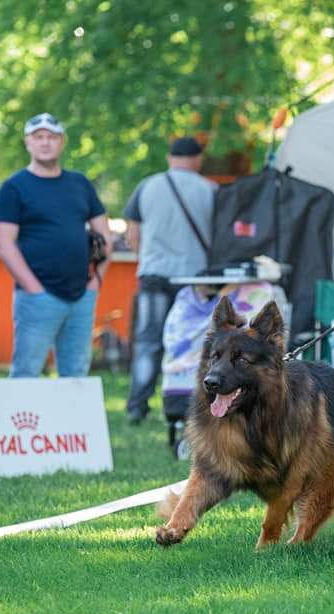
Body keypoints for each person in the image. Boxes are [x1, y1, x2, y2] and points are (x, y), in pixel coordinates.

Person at [0, 113, 112, 378]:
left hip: (81, 295)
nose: (45, 142)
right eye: (38, 137)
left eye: (52, 137)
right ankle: (22, 422)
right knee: (26, 372)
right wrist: (33, 288)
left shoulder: (80, 184)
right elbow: (5, 243)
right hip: (36, 298)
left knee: (76, 374)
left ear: (62, 142)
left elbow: (104, 236)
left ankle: (70, 422)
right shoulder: (14, 187)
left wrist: (96, 282)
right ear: (28, 143)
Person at [124, 136, 216, 424]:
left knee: (148, 341)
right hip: (194, 279)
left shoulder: (146, 186)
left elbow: (132, 234)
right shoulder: (211, 190)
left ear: (169, 157)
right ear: (198, 159)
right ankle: (194, 402)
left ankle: (138, 405)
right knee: (195, 343)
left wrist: (148, 258)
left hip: (154, 276)